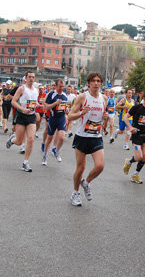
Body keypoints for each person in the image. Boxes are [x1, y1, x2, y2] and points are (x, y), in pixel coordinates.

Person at [68, 72, 109, 206]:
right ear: (89, 83)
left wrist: (105, 120)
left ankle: (86, 183)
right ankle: (75, 193)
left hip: (96, 136)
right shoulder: (82, 97)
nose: (96, 83)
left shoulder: (104, 99)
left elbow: (104, 120)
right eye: (93, 81)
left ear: (101, 83)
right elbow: (70, 116)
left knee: (100, 166)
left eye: (98, 81)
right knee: (80, 168)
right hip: (82, 136)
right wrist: (81, 112)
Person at [5, 72, 38, 172]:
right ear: (26, 78)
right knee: (19, 141)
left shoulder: (36, 90)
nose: (31, 79)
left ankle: (25, 163)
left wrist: (38, 105)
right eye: (30, 77)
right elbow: (13, 102)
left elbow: (33, 102)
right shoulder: (21, 88)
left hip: (31, 116)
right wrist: (23, 109)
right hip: (21, 116)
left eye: (33, 77)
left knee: (31, 139)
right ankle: (12, 140)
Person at [122, 91, 145, 184]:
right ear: (144, 98)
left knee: (144, 157)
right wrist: (130, 127)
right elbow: (125, 117)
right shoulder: (137, 108)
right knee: (139, 156)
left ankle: (135, 175)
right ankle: (129, 162)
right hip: (137, 135)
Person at [42, 79, 68, 165]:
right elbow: (47, 107)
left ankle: (56, 151)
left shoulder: (65, 95)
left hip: (61, 119)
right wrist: (55, 103)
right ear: (56, 86)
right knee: (49, 139)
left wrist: (66, 110)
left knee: (62, 138)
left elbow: (65, 106)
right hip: (53, 118)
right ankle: (45, 155)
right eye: (60, 86)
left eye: (62, 86)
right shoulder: (51, 95)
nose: (61, 88)